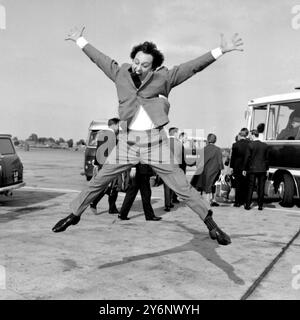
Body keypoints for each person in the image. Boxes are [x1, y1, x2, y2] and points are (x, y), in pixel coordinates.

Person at [52, 26, 243, 246]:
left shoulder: (164, 77)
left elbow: (192, 68)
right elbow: (100, 59)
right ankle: (74, 214)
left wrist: (220, 50)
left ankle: (212, 226)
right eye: (136, 62)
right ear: (132, 59)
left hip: (155, 142)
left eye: (145, 65)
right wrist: (80, 40)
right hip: (128, 142)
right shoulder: (120, 73)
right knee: (99, 179)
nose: (139, 67)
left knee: (181, 185)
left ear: (153, 66)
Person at [89, 118, 121, 215]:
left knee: (111, 187)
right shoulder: (112, 136)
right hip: (109, 165)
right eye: (118, 125)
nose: (119, 128)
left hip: (102, 164)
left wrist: (96, 165)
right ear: (114, 125)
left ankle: (112, 208)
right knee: (111, 186)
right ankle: (94, 202)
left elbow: (98, 150)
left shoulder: (101, 134)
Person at [190, 133, 224, 206]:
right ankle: (212, 200)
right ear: (215, 140)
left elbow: (199, 161)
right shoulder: (218, 149)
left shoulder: (203, 149)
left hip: (204, 171)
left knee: (207, 185)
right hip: (215, 171)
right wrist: (221, 170)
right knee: (213, 185)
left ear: (208, 140)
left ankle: (208, 200)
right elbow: (219, 161)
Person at [243, 129, 269, 210]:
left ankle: (247, 205)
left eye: (250, 134)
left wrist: (244, 168)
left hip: (252, 169)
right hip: (262, 169)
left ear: (253, 135)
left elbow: (247, 158)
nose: (249, 136)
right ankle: (260, 206)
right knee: (261, 187)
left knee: (250, 187)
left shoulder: (250, 145)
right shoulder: (265, 146)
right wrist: (267, 169)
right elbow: (267, 159)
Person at [163, 127, 186, 211]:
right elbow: (181, 158)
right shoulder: (179, 144)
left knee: (166, 186)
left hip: (165, 167)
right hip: (175, 167)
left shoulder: (164, 142)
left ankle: (167, 204)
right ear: (175, 133)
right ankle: (171, 202)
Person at [229, 128, 250, 207]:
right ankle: (245, 201)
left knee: (238, 184)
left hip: (237, 166)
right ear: (247, 134)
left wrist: (231, 167)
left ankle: (237, 202)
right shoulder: (250, 144)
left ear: (240, 135)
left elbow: (233, 157)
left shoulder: (235, 144)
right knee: (246, 184)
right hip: (246, 167)